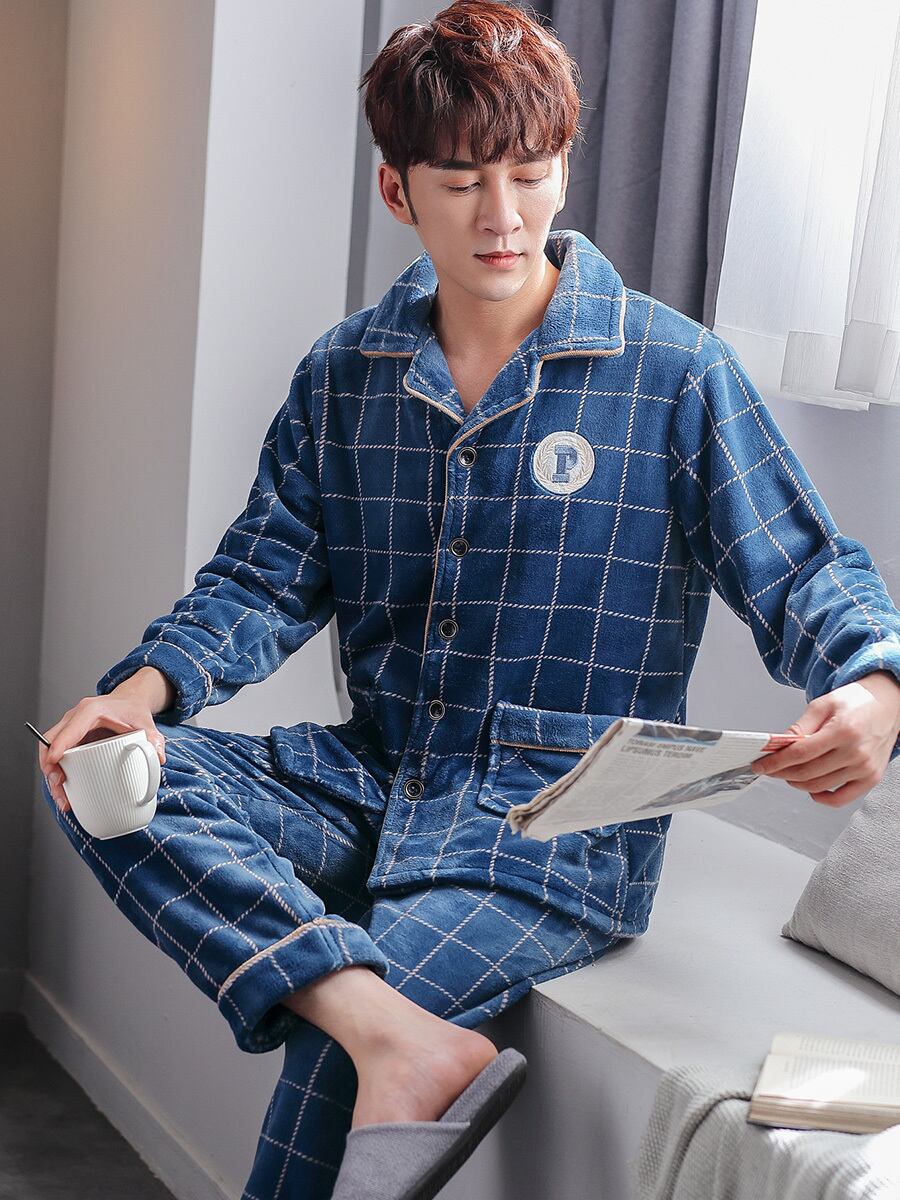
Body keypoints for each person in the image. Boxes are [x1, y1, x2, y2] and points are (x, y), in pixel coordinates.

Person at [37, 2, 900, 1197]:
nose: (503, 217)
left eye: (529, 176)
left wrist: (876, 687)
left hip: (556, 823)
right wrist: (138, 695)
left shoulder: (675, 373)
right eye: (461, 183)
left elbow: (806, 569)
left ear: (563, 172)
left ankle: (382, 1039)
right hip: (375, 777)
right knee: (108, 780)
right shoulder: (345, 374)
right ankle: (398, 1035)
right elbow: (261, 576)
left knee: (328, 1065)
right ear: (398, 191)